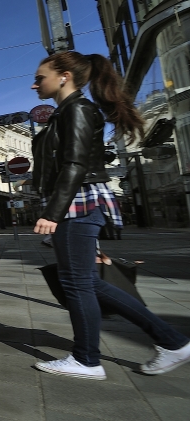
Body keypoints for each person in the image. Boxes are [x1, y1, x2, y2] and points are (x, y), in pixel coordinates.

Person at [31, 51, 190, 380]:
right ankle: (172, 342)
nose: (35, 84)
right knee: (84, 281)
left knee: (77, 284)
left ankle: (87, 360)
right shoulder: (68, 111)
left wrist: (53, 212)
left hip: (78, 203)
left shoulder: (76, 109)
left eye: (40, 77)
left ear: (64, 76)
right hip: (80, 203)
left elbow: (74, 165)